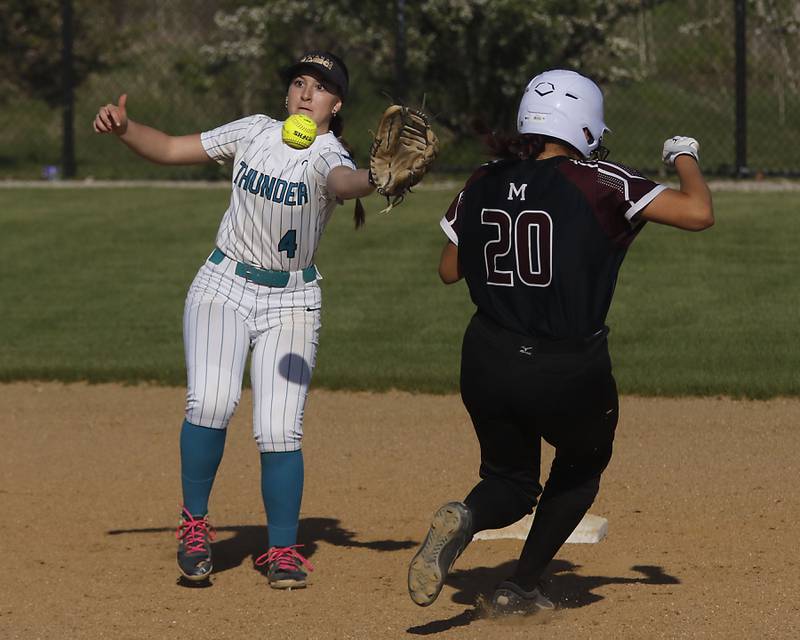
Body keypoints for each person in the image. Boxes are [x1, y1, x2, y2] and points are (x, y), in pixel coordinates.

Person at [407, 69, 713, 614]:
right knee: (579, 467)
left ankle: (468, 516)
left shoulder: (484, 178)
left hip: (486, 358)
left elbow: (448, 269)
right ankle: (519, 586)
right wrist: (683, 154)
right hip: (566, 367)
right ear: (587, 127)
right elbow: (698, 212)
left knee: (509, 480)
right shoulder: (600, 180)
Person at [93, 51, 376, 588]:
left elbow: (345, 183)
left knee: (278, 427)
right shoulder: (254, 131)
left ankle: (283, 551)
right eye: (299, 82)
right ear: (287, 95)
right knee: (213, 401)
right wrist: (127, 128)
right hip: (223, 286)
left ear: (335, 105)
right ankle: (195, 525)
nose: (306, 93)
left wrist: (379, 177)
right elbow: (173, 148)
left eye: (320, 87)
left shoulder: (327, 153)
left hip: (292, 303)